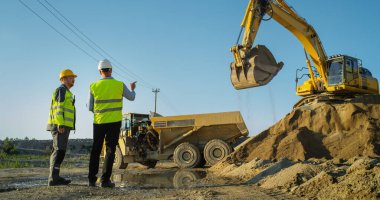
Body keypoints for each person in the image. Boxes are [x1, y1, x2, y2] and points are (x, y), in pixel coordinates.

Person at [87, 59, 136, 188]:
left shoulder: (93, 86)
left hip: (99, 122)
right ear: (111, 70)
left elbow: (90, 107)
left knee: (96, 150)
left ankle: (91, 180)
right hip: (114, 122)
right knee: (110, 150)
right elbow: (131, 97)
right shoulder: (119, 84)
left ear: (99, 71)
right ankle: (105, 180)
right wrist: (133, 89)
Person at [46, 69, 77, 186]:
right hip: (60, 125)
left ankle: (56, 177)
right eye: (70, 77)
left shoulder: (67, 92)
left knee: (60, 151)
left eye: (73, 77)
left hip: (65, 126)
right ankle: (53, 179)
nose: (73, 79)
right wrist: (60, 124)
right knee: (58, 150)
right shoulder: (61, 90)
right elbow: (58, 108)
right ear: (63, 79)